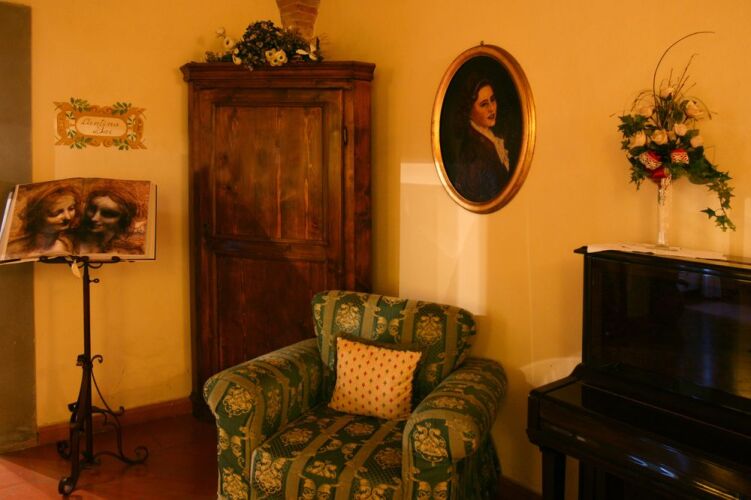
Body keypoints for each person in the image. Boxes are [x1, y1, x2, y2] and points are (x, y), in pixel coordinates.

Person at [452, 77, 511, 202]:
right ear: (469, 111)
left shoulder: (489, 137)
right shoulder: (473, 151)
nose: (491, 108)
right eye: (484, 104)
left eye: (492, 100)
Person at [5, 186, 80, 258]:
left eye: (71, 208)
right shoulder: (13, 249)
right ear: (38, 215)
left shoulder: (71, 246)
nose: (68, 217)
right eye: (57, 212)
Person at [76, 189, 143, 255]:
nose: (94, 218)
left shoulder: (130, 252)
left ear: (123, 219)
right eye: (92, 209)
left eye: (107, 213)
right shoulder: (72, 241)